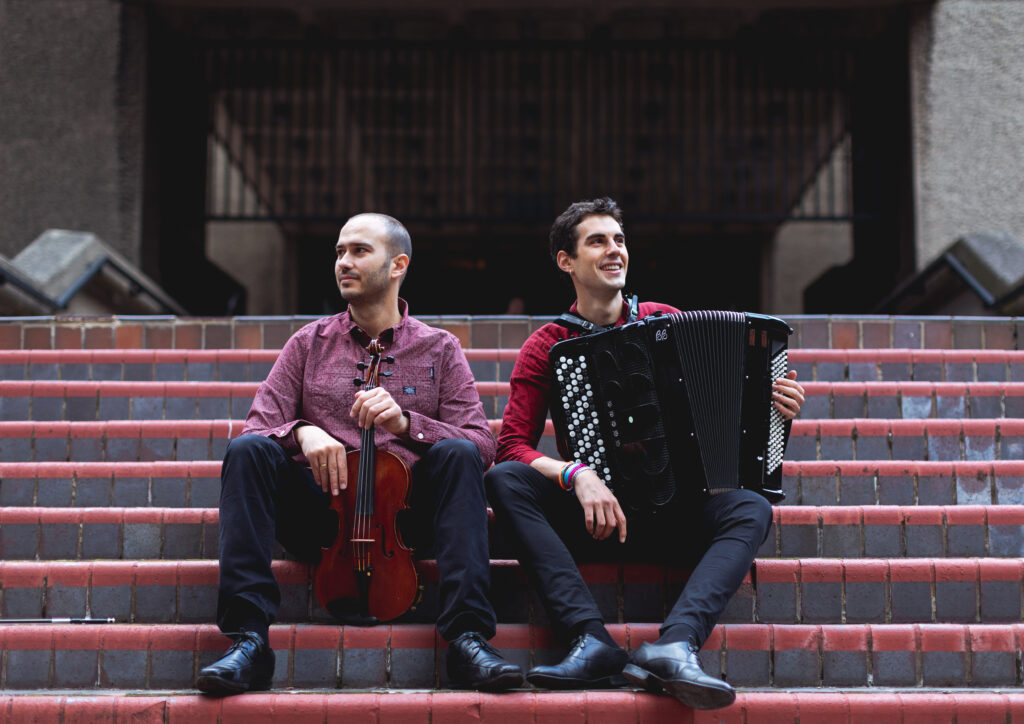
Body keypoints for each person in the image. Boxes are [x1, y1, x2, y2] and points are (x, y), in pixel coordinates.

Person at [484, 198, 804, 710]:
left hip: (676, 514)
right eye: (597, 241)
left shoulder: (666, 321)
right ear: (566, 261)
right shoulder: (547, 344)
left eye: (619, 240)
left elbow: (728, 413)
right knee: (504, 480)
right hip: (596, 520)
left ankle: (676, 645)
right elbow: (511, 447)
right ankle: (590, 640)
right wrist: (575, 474)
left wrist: (775, 407)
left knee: (751, 507)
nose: (614, 250)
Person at [196, 213, 523, 696]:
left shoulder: (439, 349)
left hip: (407, 523)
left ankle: (468, 638)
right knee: (248, 452)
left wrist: (407, 423)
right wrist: (302, 431)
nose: (343, 262)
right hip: (322, 520)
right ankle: (248, 640)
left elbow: (481, 444)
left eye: (358, 251)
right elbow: (259, 427)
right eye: (338, 252)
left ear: (398, 266)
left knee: (456, 453)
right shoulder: (308, 343)